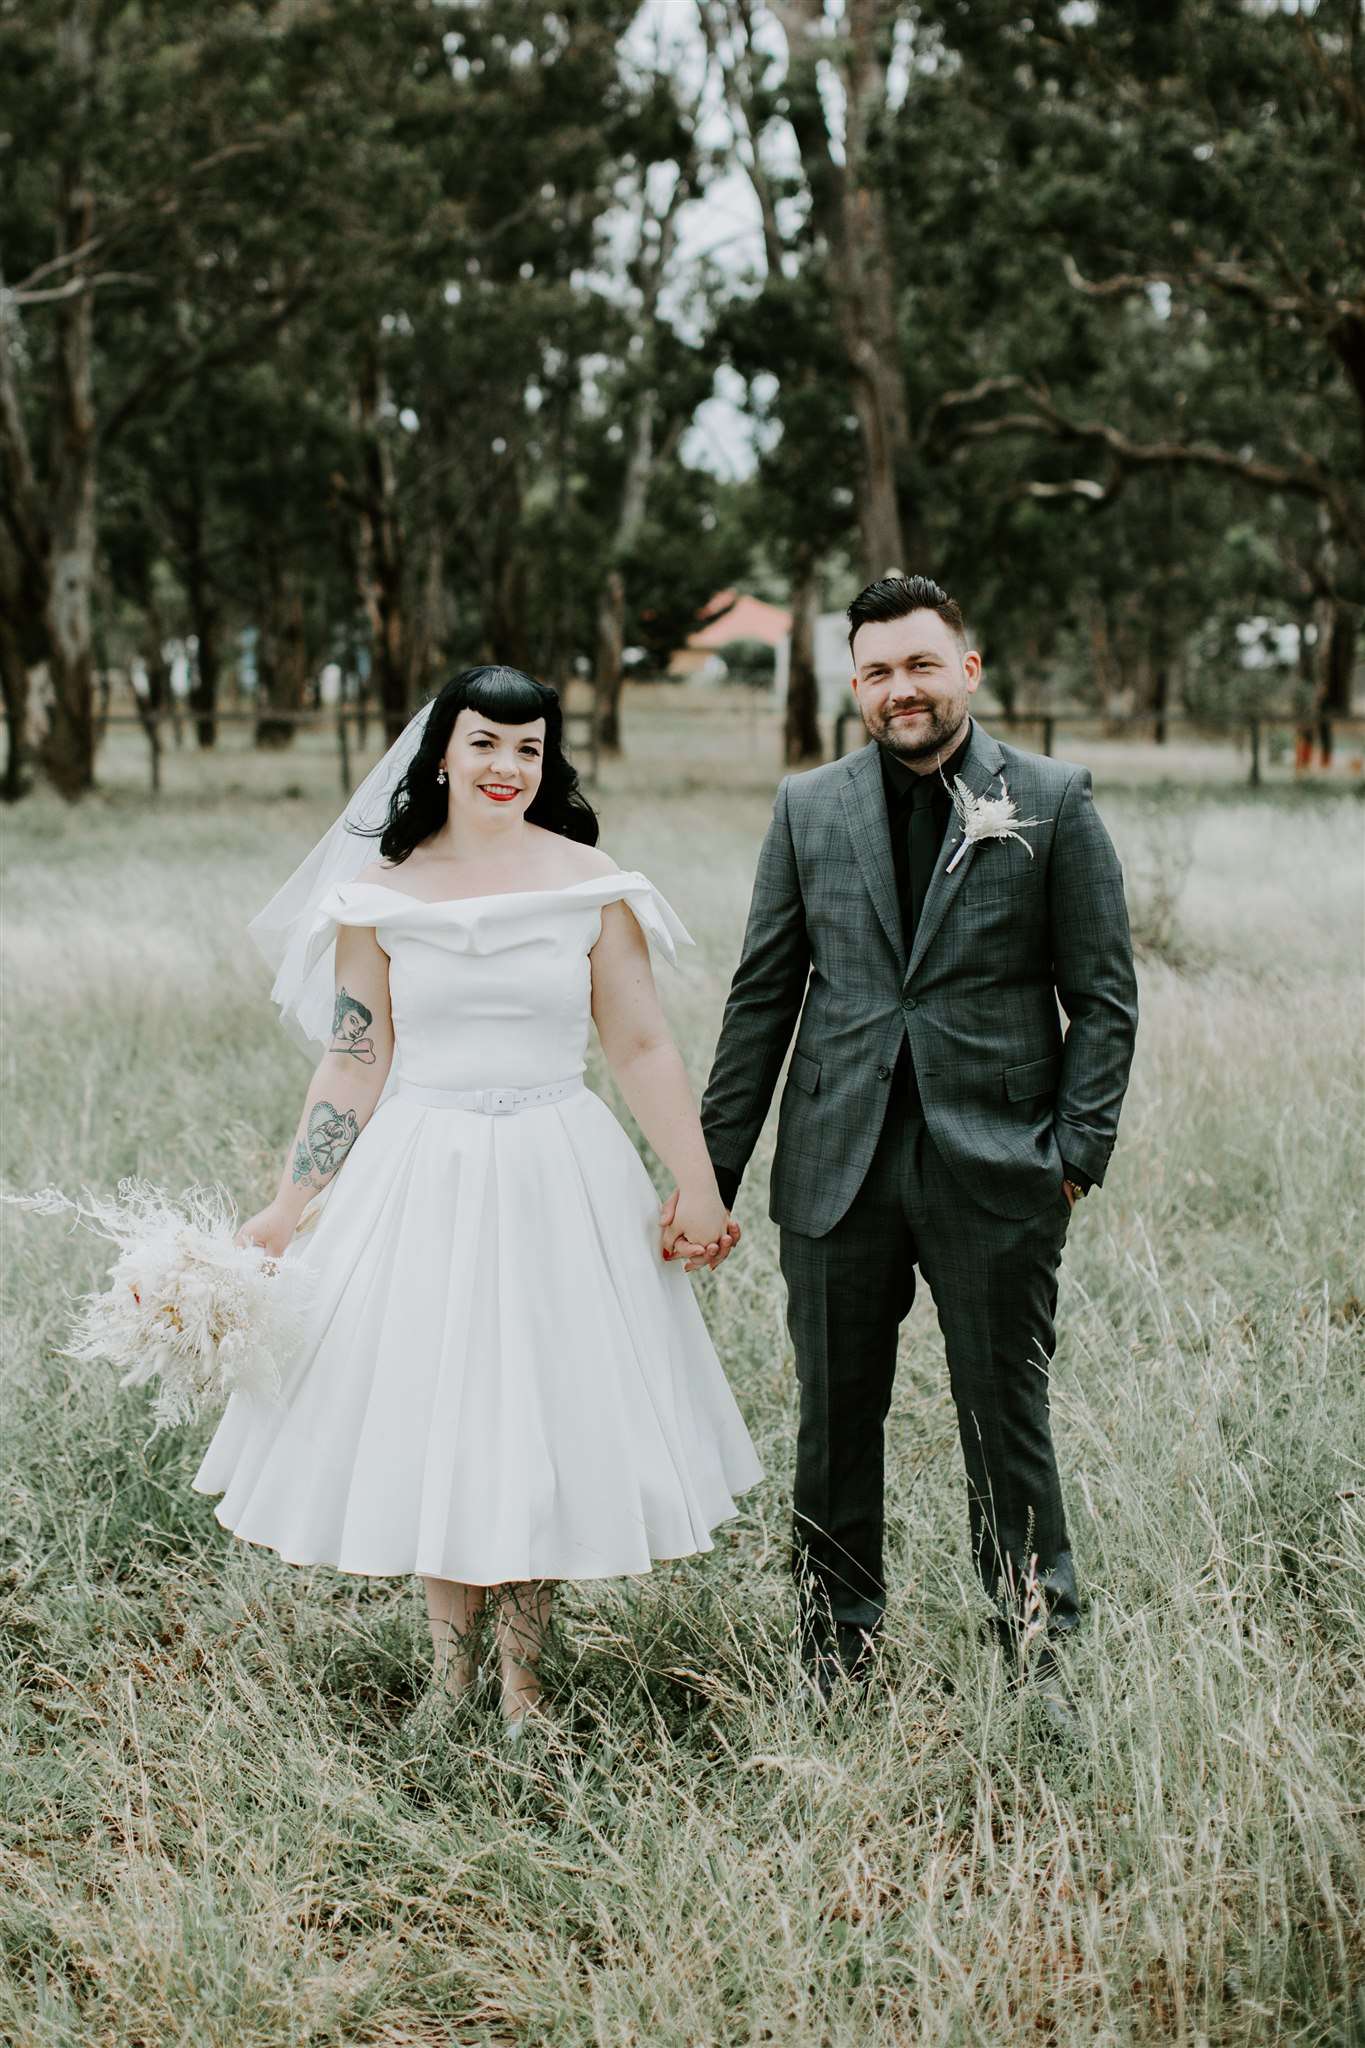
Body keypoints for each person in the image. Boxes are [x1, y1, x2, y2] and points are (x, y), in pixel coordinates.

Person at [193, 665, 762, 1737]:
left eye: (530, 749)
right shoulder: (380, 893)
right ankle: (452, 1678)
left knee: (538, 1409)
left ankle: (525, 1685)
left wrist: (696, 1180)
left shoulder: (591, 884)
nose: (508, 766)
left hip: (561, 1166)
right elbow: (353, 1062)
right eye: (487, 743)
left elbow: (639, 1042)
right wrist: (286, 1204)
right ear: (442, 752)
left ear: (549, 763)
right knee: (440, 1409)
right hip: (426, 1164)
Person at [691, 575, 1138, 1717]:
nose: (903, 688)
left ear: (967, 670)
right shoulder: (807, 808)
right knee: (835, 1423)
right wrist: (711, 1174)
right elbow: (761, 1002)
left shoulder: (1050, 797)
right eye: (880, 670)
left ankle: (1039, 1658)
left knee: (1007, 1419)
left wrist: (1073, 1155)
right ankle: (836, 1658)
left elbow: (1103, 994)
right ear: (856, 685)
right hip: (835, 1172)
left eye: (922, 665)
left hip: (997, 1168)